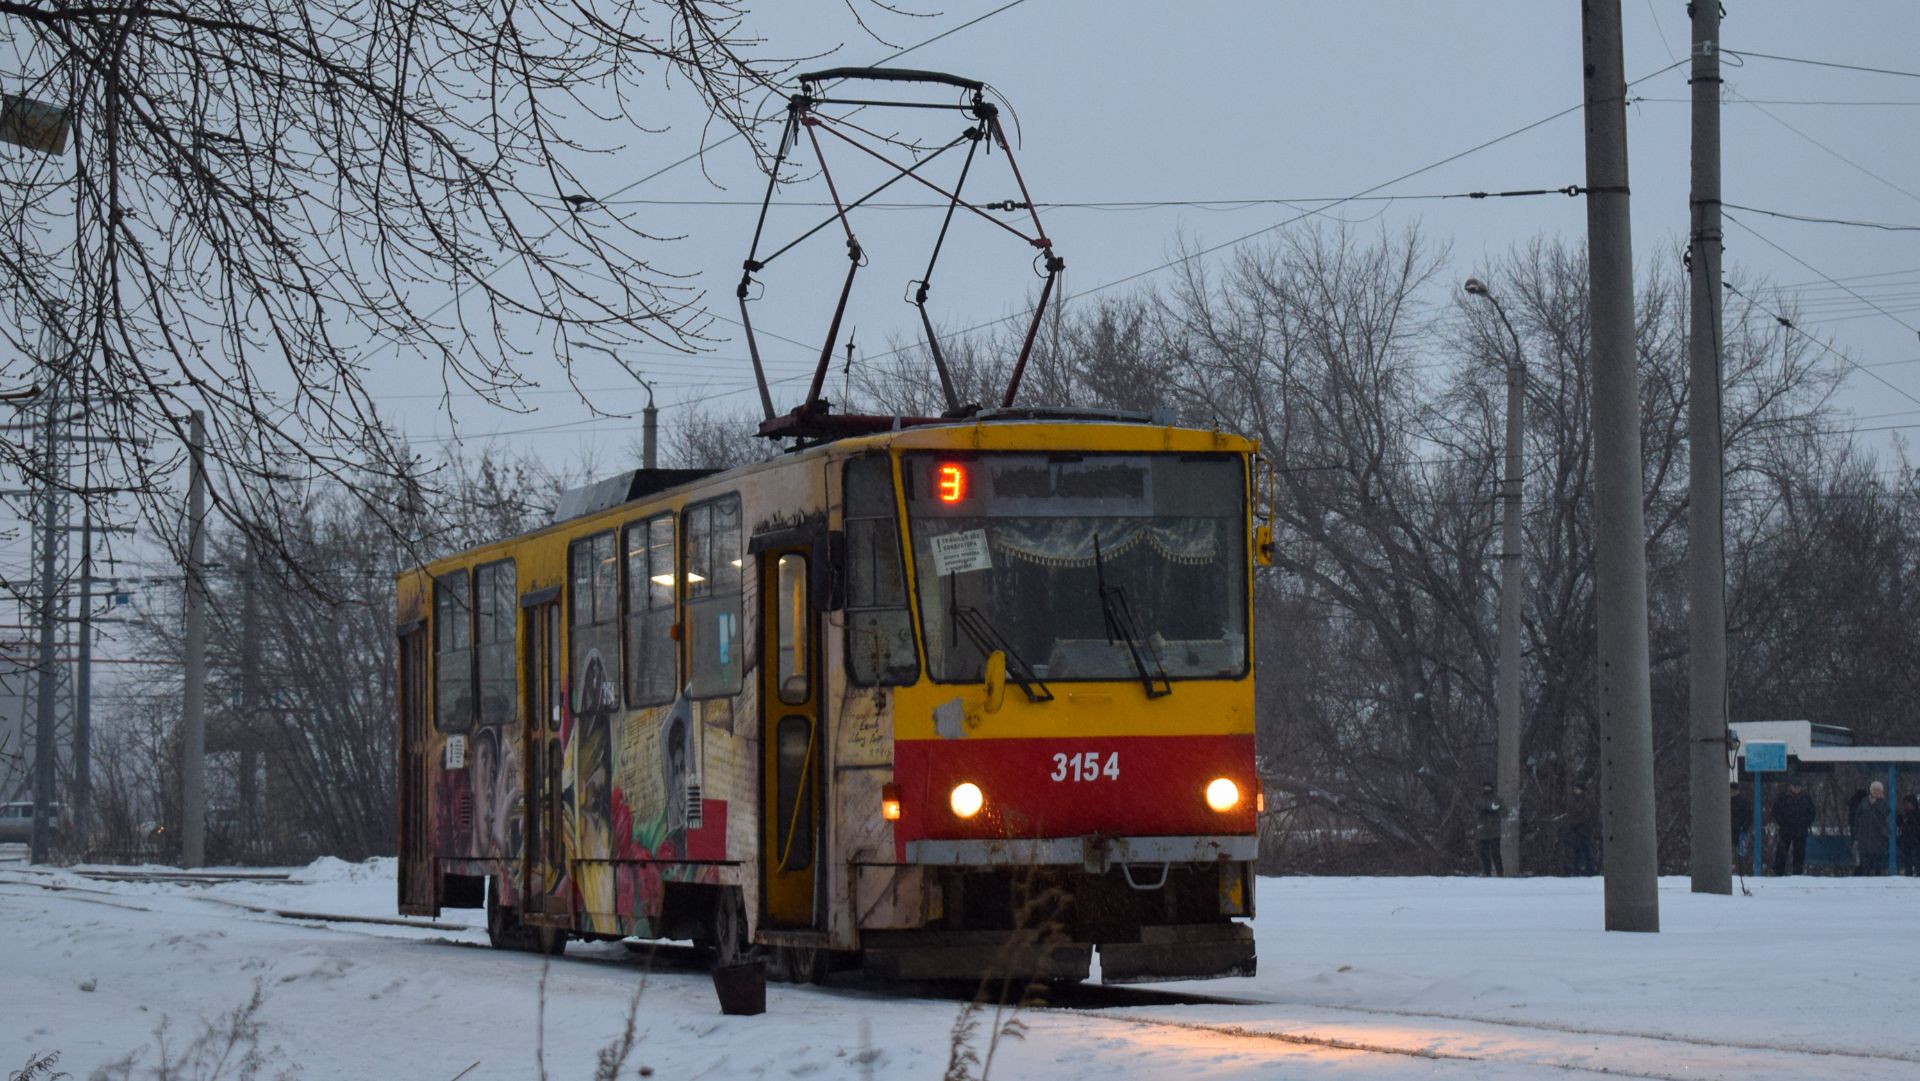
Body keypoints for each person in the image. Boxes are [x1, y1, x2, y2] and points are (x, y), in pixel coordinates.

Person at [1770, 778, 1816, 876]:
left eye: (1798, 787)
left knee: (1799, 854)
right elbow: (1776, 811)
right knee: (1782, 852)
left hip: (1800, 831)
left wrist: (1805, 824)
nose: (1796, 789)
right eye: (1794, 786)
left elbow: (1812, 813)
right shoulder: (1783, 798)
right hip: (1786, 830)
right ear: (1790, 786)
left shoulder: (1806, 798)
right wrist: (1783, 823)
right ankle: (1778, 873)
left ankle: (1797, 874)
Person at [1852, 781, 1892, 876]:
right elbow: (1857, 817)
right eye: (1874, 790)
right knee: (1865, 860)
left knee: (1877, 860)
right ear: (1871, 790)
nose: (1876, 792)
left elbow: (1884, 815)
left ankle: (1878, 876)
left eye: (1878, 790)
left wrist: (1874, 805)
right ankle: (1866, 877)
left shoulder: (1883, 803)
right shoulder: (1864, 801)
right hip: (1864, 837)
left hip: (1878, 837)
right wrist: (1856, 833)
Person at [1560, 782, 1596, 876]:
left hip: (1584, 830)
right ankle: (1577, 870)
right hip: (1576, 830)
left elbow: (1586, 815)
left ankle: (1589, 870)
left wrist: (1575, 823)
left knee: (1585, 850)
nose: (1575, 790)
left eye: (1577, 789)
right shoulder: (1574, 800)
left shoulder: (1586, 800)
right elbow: (1571, 814)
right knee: (1577, 851)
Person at [1474, 781, 1504, 877]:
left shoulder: (1497, 799)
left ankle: (1500, 872)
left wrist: (1495, 810)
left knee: (1496, 853)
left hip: (1494, 830)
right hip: (1483, 830)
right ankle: (1486, 872)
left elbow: (1504, 812)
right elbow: (1474, 812)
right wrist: (1481, 812)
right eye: (1485, 787)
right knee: (1484, 854)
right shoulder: (1479, 799)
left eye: (1488, 787)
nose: (1487, 789)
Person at [1898, 794, 1920, 877]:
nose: (1907, 806)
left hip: (1916, 841)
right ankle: (1908, 874)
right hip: (1906, 841)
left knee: (1916, 860)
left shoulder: (1916, 814)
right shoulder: (1903, 815)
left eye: (1908, 804)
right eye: (1905, 804)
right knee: (1907, 861)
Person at [1730, 783, 1752, 862]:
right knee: (1741, 854)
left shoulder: (1727, 803)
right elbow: (1749, 816)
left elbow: (1748, 816)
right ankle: (1741, 870)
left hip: (1734, 831)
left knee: (1733, 853)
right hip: (1740, 831)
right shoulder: (1744, 801)